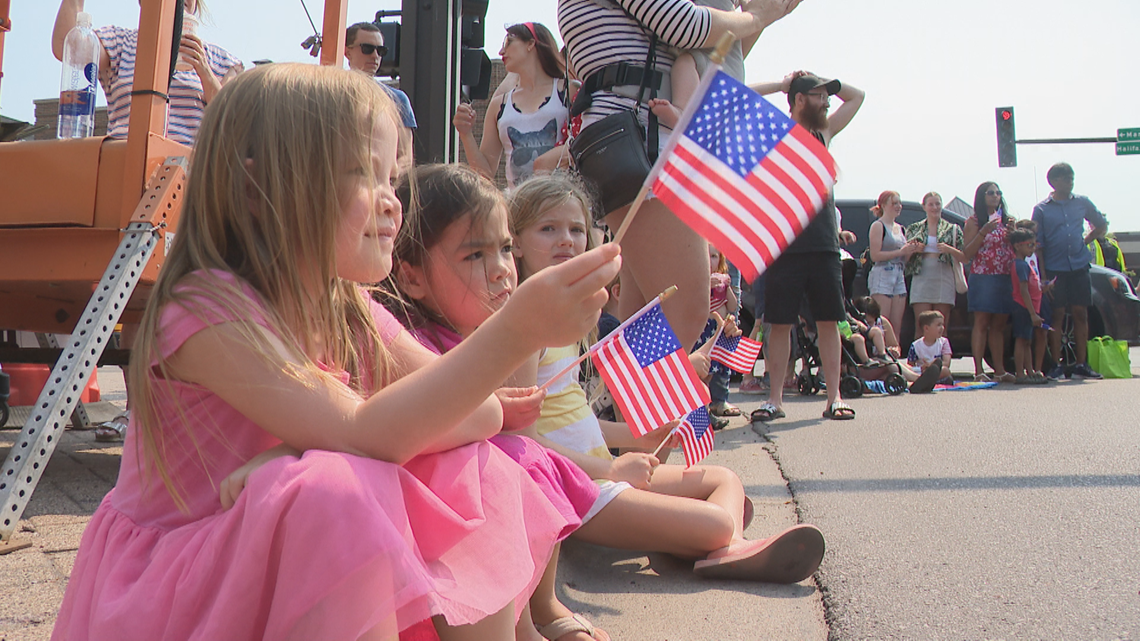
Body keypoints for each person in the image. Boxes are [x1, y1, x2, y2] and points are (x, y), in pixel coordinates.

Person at [51, 63, 623, 641]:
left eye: (392, 176)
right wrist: (516, 331)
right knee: (335, 488)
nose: (392, 203)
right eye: (364, 174)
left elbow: (474, 416)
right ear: (259, 188)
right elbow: (361, 433)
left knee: (466, 463)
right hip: (179, 579)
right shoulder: (205, 308)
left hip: (270, 553)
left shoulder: (345, 303)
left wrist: (287, 454)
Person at [386, 164, 608, 641]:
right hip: (431, 549)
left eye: (506, 248)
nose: (501, 268)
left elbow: (523, 436)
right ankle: (527, 623)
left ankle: (535, 612)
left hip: (494, 520)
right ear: (412, 278)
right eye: (474, 255)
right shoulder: (413, 343)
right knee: (498, 466)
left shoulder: (492, 332)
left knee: (524, 460)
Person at [559, 0, 802, 351]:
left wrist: (756, 19)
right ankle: (640, 404)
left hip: (636, 140)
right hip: (641, 142)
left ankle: (629, 405)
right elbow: (684, 26)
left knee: (645, 312)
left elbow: (712, 53)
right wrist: (757, 15)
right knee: (684, 310)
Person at [53, 0, 244, 443]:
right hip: (127, 182)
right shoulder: (121, 40)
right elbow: (70, 52)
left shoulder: (218, 56)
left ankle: (160, 413)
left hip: (190, 189)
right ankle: (140, 413)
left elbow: (237, 120)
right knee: (139, 293)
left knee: (170, 294)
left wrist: (207, 78)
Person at [747, 71, 865, 422]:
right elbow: (741, 98)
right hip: (784, 245)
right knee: (778, 323)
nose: (827, 102)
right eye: (818, 96)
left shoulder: (823, 133)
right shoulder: (773, 132)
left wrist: (827, 81)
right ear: (799, 100)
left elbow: (858, 97)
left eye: (827, 96)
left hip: (824, 244)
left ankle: (835, 398)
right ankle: (775, 400)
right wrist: (780, 86)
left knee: (829, 321)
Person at [52, 0, 243, 146]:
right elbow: (68, 46)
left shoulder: (223, 62)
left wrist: (205, 73)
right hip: (125, 170)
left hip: (189, 181)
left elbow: (234, 121)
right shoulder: (120, 43)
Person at [453, 23, 571, 187]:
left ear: (531, 43)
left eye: (508, 42)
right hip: (518, 209)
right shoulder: (499, 105)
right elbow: (485, 175)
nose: (501, 52)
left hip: (562, 204)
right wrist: (466, 134)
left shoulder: (569, 91)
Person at [1032, 162, 1108, 380]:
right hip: (1055, 268)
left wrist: (1086, 240)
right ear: (1054, 181)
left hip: (1078, 265)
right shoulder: (1042, 209)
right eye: (1066, 179)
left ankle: (1081, 364)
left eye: (1072, 178)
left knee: (1080, 313)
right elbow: (1038, 246)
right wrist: (1044, 277)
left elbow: (1100, 224)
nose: (1070, 182)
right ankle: (1056, 364)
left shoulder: (1082, 202)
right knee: (1056, 315)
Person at [962, 181, 1016, 383]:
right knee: (982, 322)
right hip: (983, 276)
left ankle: (1000, 370)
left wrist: (1013, 233)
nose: (995, 196)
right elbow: (967, 253)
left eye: (998, 193)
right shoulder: (973, 222)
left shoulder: (1007, 221)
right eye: (990, 193)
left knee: (999, 325)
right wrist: (984, 231)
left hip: (1004, 275)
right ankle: (979, 370)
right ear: (981, 197)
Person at [905, 191, 966, 334]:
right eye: (931, 204)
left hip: (944, 275)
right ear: (924, 207)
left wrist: (949, 249)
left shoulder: (953, 229)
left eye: (937, 204)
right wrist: (914, 250)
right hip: (922, 275)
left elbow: (965, 257)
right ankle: (919, 356)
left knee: (940, 325)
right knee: (921, 324)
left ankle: (941, 355)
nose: (934, 207)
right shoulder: (914, 229)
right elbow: (904, 258)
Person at [867, 190, 922, 344]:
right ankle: (880, 355)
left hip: (898, 274)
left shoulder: (900, 228)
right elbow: (875, 255)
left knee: (896, 325)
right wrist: (900, 251)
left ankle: (895, 357)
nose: (898, 206)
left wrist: (911, 251)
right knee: (882, 322)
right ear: (883, 205)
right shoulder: (878, 226)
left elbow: (903, 258)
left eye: (899, 203)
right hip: (882, 273)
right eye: (894, 203)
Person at [344, 22, 418, 132]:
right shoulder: (330, 93)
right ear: (348, 53)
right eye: (367, 48)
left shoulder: (397, 99)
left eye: (380, 51)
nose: (375, 56)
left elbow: (404, 148)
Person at [704, 245, 740, 422]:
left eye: (714, 256)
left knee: (720, 369)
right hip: (704, 330)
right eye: (706, 256)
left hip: (719, 331)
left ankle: (718, 401)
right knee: (705, 372)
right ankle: (703, 409)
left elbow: (732, 306)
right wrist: (704, 284)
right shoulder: (699, 281)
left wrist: (727, 287)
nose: (710, 261)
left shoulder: (723, 280)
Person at [1009, 228, 1047, 384]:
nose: (1033, 248)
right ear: (1018, 246)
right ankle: (1020, 373)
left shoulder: (1025, 264)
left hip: (1028, 308)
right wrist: (1032, 313)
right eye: (1029, 245)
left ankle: (1030, 370)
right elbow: (1023, 290)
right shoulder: (1020, 265)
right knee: (1021, 340)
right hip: (1022, 307)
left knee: (1027, 341)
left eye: (1034, 244)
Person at [905, 310, 953, 393]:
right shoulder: (916, 345)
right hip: (921, 372)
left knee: (945, 370)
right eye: (938, 325)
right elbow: (910, 364)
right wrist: (922, 368)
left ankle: (927, 380)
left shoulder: (943, 342)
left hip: (938, 371)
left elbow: (946, 363)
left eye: (942, 325)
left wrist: (930, 366)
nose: (942, 328)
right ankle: (923, 381)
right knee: (905, 369)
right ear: (926, 328)